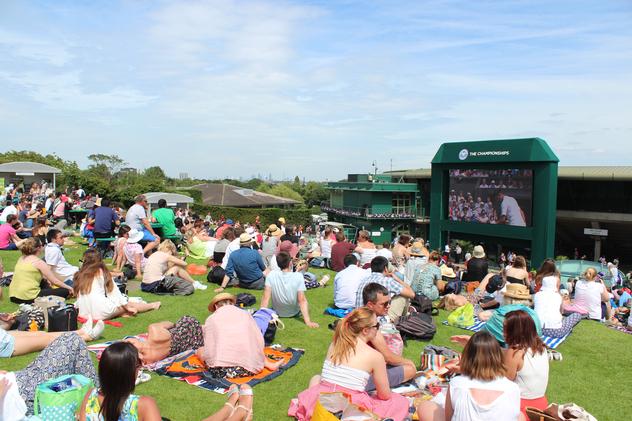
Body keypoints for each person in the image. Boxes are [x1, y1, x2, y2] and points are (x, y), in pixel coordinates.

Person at [288, 307, 409, 421]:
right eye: (376, 325)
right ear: (365, 330)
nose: (378, 329)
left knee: (316, 378)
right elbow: (385, 395)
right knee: (400, 402)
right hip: (349, 406)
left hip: (322, 398)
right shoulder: (375, 356)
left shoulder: (335, 344)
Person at [418, 331, 523, 421]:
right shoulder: (513, 388)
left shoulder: (457, 383)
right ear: (498, 357)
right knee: (521, 416)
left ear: (467, 356)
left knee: (425, 407)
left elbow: (449, 418)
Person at [1, 332, 99, 416]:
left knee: (74, 381)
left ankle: (95, 399)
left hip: (21, 382)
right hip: (24, 393)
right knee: (73, 340)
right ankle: (99, 399)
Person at [197, 293, 283, 378]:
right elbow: (258, 339)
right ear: (232, 303)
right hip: (249, 369)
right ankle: (268, 364)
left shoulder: (212, 319)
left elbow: (208, 344)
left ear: (216, 306)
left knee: (200, 349)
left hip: (220, 371)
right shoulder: (245, 314)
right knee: (253, 344)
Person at [78, 341, 162, 421]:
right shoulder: (145, 405)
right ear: (129, 372)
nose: (140, 368)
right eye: (138, 364)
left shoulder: (90, 396)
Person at [74, 249, 160, 320]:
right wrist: (127, 307)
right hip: (101, 311)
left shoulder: (79, 274)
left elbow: (79, 295)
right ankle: (152, 305)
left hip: (84, 312)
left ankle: (121, 313)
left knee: (119, 306)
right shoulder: (101, 271)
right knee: (128, 304)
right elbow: (114, 293)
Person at [362, 283, 416, 390]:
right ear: (370, 305)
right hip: (360, 378)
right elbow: (388, 357)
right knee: (410, 369)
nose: (389, 306)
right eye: (384, 304)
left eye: (389, 302)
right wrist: (410, 363)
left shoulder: (353, 317)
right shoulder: (370, 324)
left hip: (342, 370)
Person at [503, 310, 550, 417]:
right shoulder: (541, 348)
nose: (503, 332)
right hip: (541, 406)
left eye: (506, 329)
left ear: (515, 331)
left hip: (520, 407)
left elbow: (503, 382)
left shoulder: (514, 352)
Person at [261, 252, 319, 328]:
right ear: (290, 263)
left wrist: (261, 317)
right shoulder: (298, 276)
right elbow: (302, 300)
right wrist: (308, 322)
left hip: (277, 311)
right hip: (293, 312)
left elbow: (266, 298)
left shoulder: (271, 275)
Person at [9, 238, 74, 303]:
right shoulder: (38, 262)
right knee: (65, 291)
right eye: (42, 245)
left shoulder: (21, 258)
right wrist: (69, 288)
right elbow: (55, 281)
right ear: (38, 248)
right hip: (28, 297)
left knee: (44, 281)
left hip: (13, 296)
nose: (43, 247)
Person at [354, 256, 414, 322]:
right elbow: (411, 294)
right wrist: (397, 279)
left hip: (360, 317)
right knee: (403, 297)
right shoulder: (388, 281)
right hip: (376, 319)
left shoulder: (363, 281)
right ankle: (403, 322)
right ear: (385, 268)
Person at [126, 316, 204, 365]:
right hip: (188, 327)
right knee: (183, 323)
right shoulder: (154, 331)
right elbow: (170, 324)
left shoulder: (148, 360)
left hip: (191, 345)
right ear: (134, 342)